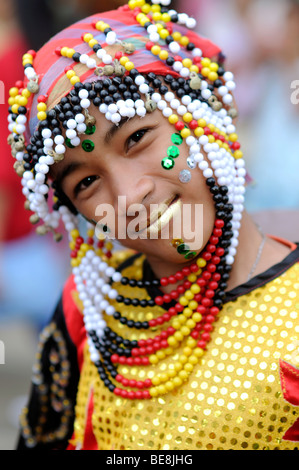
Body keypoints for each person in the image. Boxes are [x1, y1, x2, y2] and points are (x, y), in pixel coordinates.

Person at [9, 0, 298, 451]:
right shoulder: (88, 317)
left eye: (137, 138)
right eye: (86, 182)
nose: (129, 194)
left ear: (209, 116)